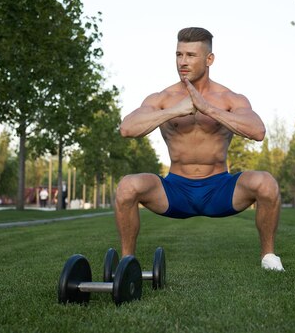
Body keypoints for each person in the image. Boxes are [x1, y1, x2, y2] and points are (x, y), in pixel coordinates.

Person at [115, 27, 284, 271]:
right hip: (175, 190)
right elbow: (126, 129)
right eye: (179, 54)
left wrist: (208, 109)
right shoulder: (163, 98)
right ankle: (127, 262)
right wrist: (176, 110)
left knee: (266, 183)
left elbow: (258, 131)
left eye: (191, 55)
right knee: (127, 186)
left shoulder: (229, 98)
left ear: (209, 59)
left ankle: (269, 257)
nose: (183, 62)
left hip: (219, 189)